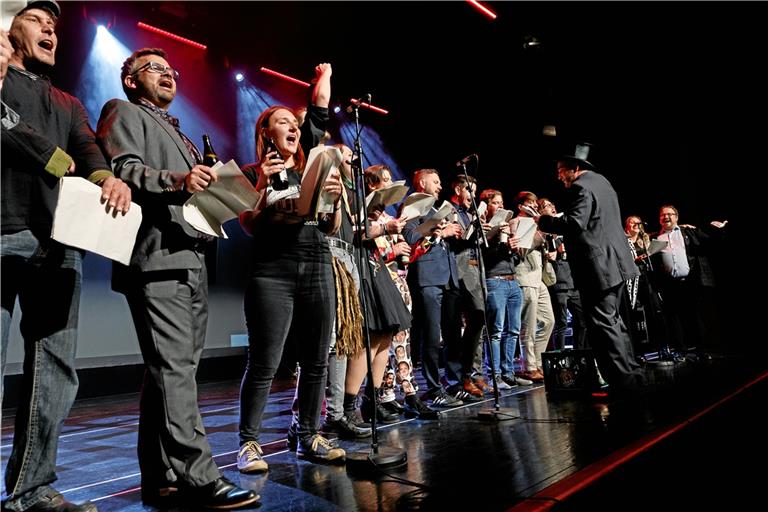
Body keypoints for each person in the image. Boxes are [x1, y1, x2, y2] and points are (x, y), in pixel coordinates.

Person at [96, 47, 257, 509]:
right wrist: (180, 179)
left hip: (195, 256)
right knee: (174, 369)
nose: (167, 75)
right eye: (154, 69)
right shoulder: (122, 111)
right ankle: (199, 476)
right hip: (157, 256)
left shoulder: (183, 132)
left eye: (171, 70)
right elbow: (123, 168)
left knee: (170, 370)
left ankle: (160, 475)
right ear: (130, 80)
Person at [1, 2, 132, 511]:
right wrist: (56, 159)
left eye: (54, 24)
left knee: (53, 370)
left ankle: (30, 490)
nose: (50, 27)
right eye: (37, 19)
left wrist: (108, 177)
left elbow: (89, 149)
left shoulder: (69, 101)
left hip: (57, 242)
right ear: (9, 28)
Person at [237, 63, 346, 471]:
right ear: (266, 132)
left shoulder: (309, 170)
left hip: (316, 262)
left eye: (293, 122)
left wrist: (333, 199)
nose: (292, 126)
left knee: (317, 359)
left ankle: (308, 436)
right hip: (272, 270)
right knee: (265, 361)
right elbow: (247, 224)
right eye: (281, 121)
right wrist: (262, 187)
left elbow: (330, 226)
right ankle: (249, 443)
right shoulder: (252, 172)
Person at [536, 143, 646, 394]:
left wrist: (544, 221)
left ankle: (623, 382)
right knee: (614, 321)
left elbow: (576, 223)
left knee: (604, 325)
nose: (558, 176)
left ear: (574, 168)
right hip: (616, 264)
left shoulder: (580, 186)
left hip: (599, 267)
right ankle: (632, 374)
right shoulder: (603, 182)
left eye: (561, 170)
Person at [539, 198, 587, 351]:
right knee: (561, 323)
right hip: (559, 283)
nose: (552, 207)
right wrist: (557, 252)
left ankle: (579, 355)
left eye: (552, 204)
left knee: (582, 322)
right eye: (547, 206)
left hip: (573, 281)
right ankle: (560, 360)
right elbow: (548, 253)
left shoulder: (565, 228)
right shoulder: (544, 231)